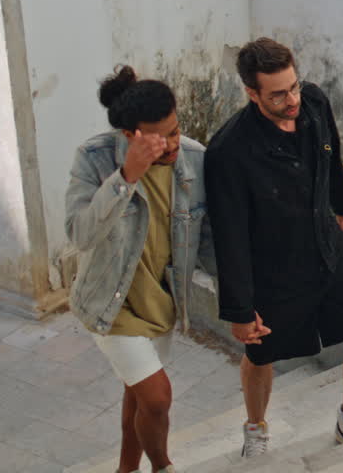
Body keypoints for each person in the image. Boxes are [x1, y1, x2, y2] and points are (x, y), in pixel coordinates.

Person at [205, 37, 343, 458]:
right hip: (273, 267)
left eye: (294, 86)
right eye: (278, 94)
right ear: (251, 93)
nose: (292, 100)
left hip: (327, 245)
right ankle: (256, 427)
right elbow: (228, 232)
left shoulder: (314, 103)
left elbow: (332, 156)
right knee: (260, 354)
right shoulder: (228, 151)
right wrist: (238, 308)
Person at [65, 66, 211, 473]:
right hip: (110, 304)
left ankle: (125, 470)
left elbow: (210, 242)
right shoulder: (94, 159)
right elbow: (80, 234)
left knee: (138, 400)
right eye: (159, 137)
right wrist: (127, 176)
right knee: (158, 398)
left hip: (159, 304)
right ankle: (163, 466)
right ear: (130, 135)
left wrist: (242, 301)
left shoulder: (194, 160)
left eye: (175, 130)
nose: (171, 144)